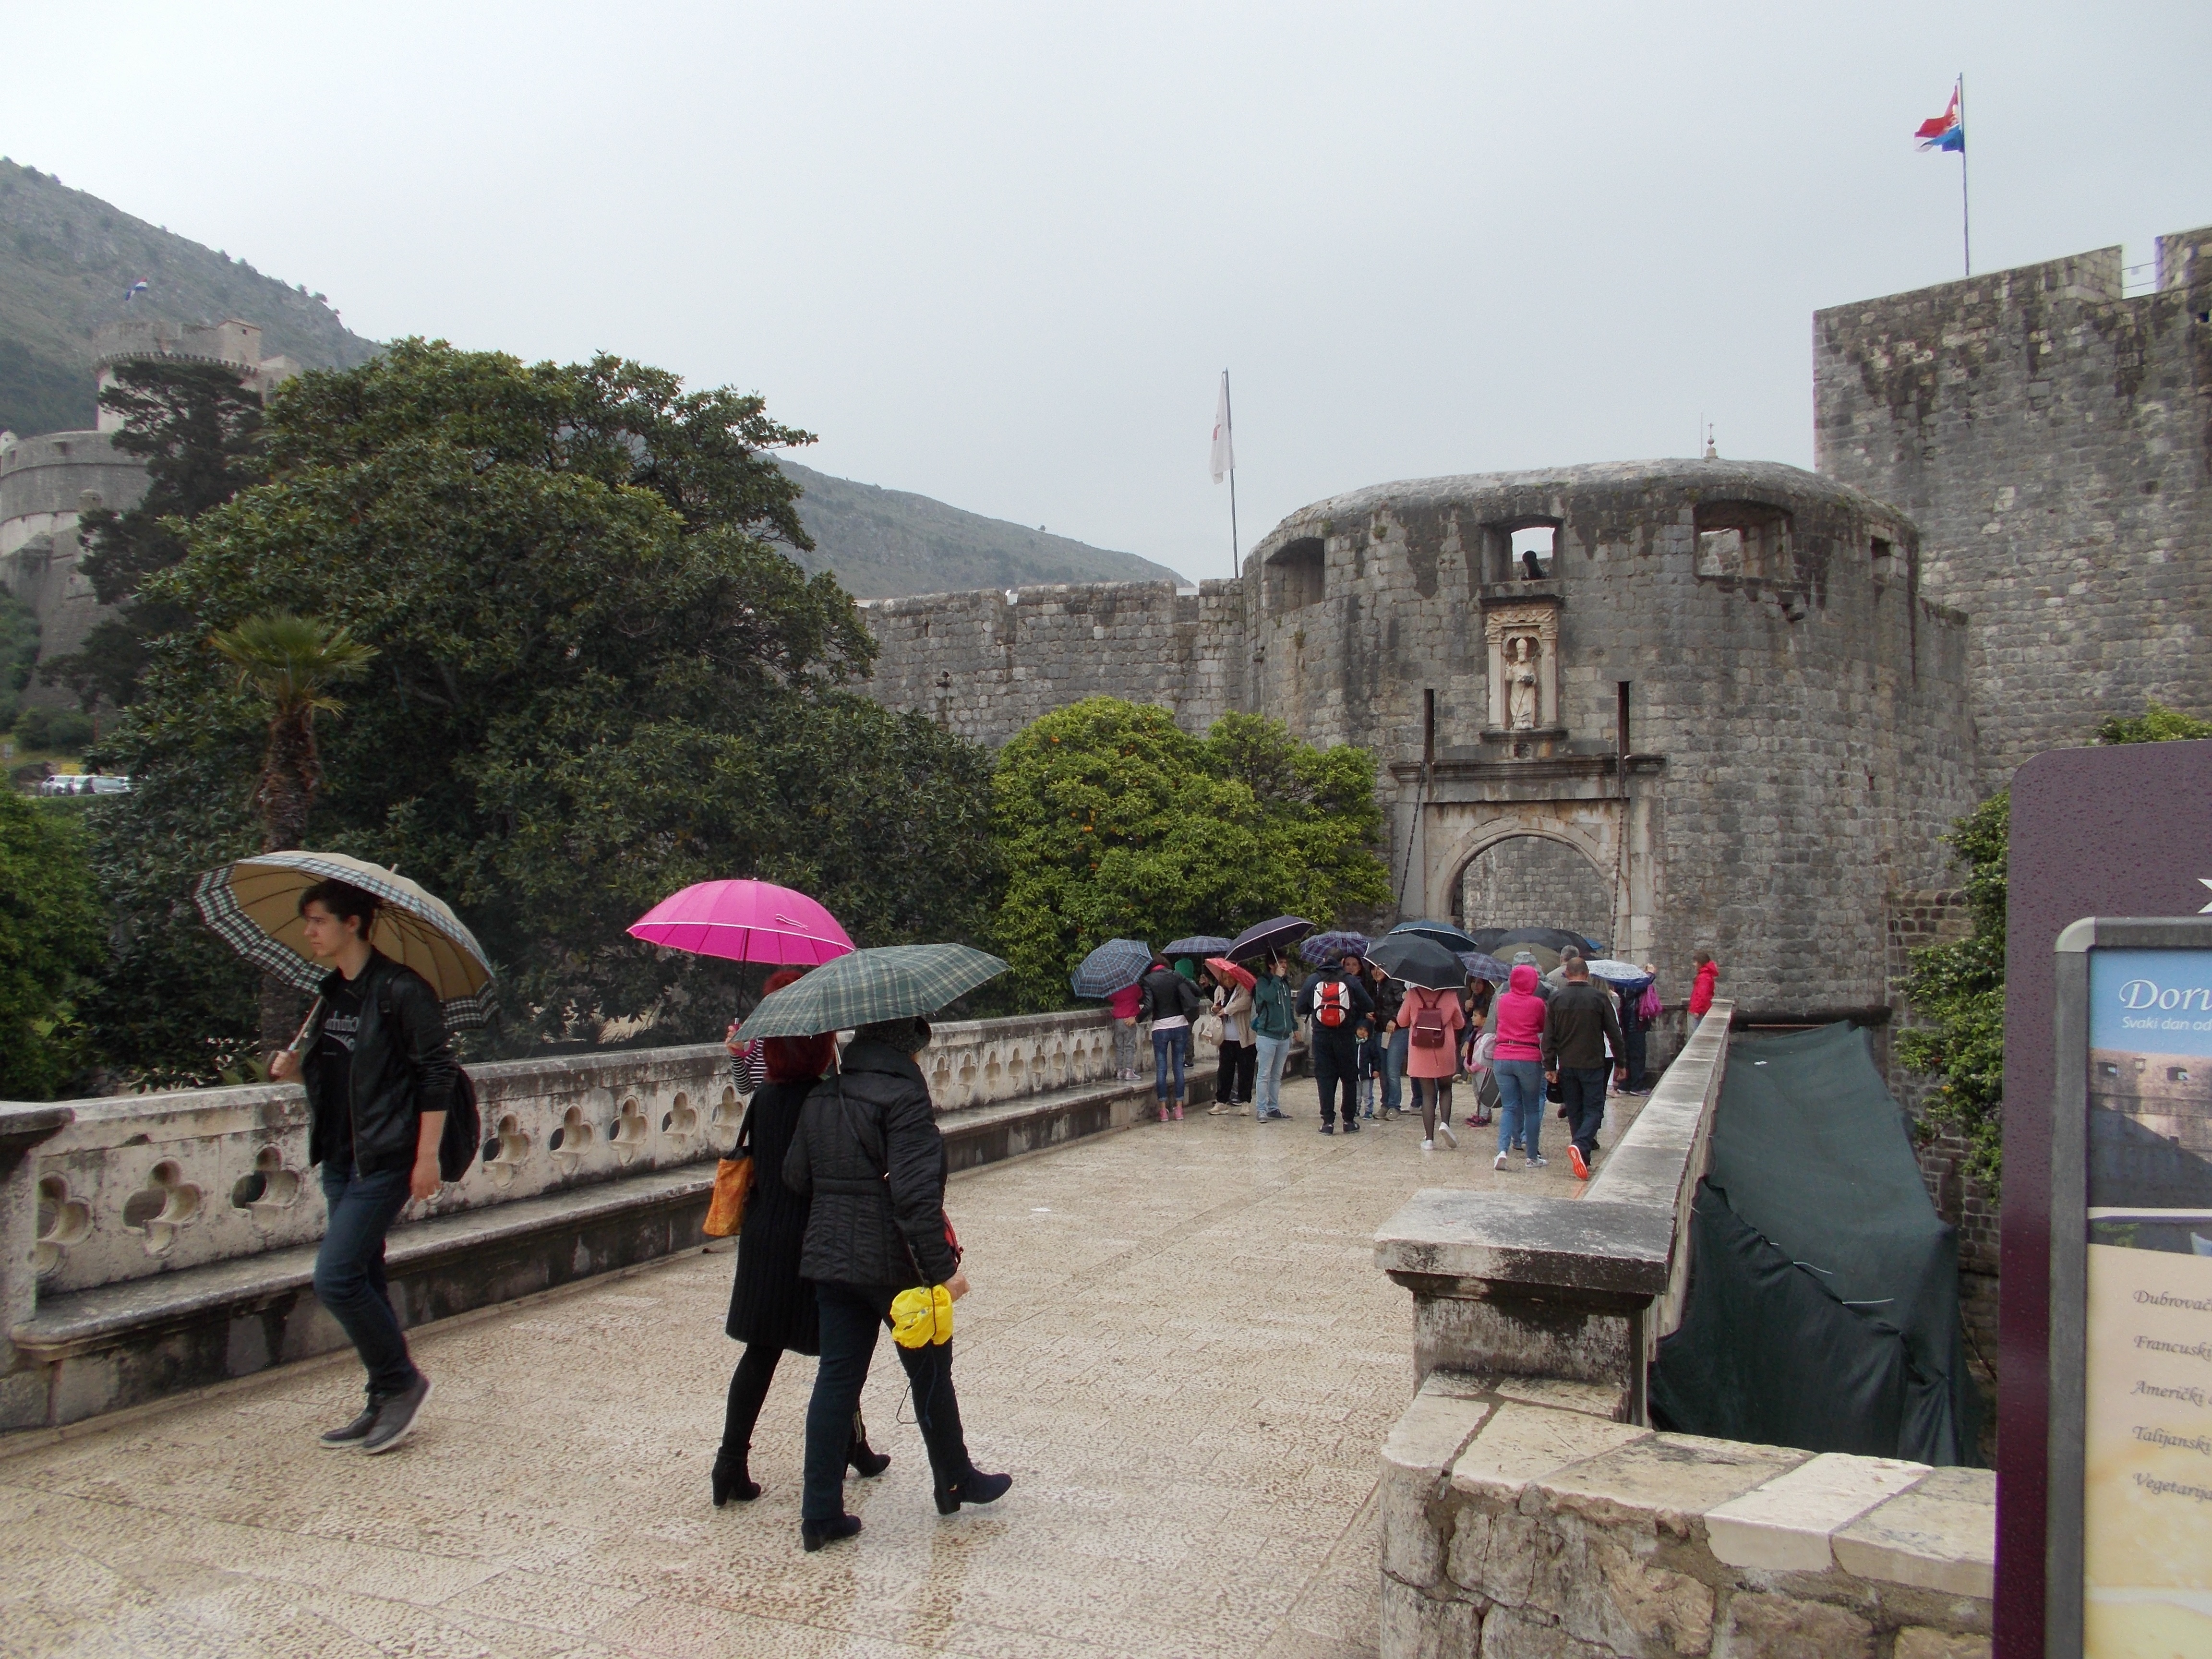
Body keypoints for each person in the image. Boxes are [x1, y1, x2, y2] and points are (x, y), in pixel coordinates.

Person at [782, 1015, 1010, 1552]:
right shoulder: (904, 1101)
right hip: (894, 1264)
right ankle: (954, 1479)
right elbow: (914, 1198)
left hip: (832, 1260)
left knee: (837, 1382)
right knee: (931, 1371)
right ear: (907, 1050)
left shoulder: (823, 1097)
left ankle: (820, 1512)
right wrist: (942, 1272)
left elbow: (796, 1177)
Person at [268, 878, 453, 1455]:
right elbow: (345, 1079)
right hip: (340, 1157)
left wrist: (426, 1158)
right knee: (364, 1275)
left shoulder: (403, 990)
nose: (309, 932)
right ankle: (380, 1397)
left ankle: (401, 1381)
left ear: (353, 923)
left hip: (386, 1156)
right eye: (307, 921)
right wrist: (298, 1071)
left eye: (319, 920)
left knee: (336, 1277)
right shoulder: (331, 994)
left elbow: (436, 1074)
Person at [712, 970, 889, 1506]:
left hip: (766, 1236)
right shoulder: (826, 1100)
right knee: (842, 1352)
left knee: (760, 1353)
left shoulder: (766, 1100)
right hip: (816, 1236)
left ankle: (730, 1465)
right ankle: (844, 1449)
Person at [1544, 958, 1628, 1181]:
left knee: (1575, 1110)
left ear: (1567, 974)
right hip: (1593, 1063)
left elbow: (1550, 1036)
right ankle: (1581, 1146)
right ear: (1587, 974)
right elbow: (1614, 1033)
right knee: (1594, 1109)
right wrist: (1621, 1063)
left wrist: (1550, 1066)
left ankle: (1584, 1157)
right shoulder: (1599, 998)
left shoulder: (1557, 999)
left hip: (1567, 1064)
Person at [1297, 949, 1373, 1134]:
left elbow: (1300, 1007)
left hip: (1321, 1036)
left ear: (1324, 959)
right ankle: (1348, 1121)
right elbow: (1369, 1005)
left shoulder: (1314, 979)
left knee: (1325, 1078)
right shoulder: (1350, 980)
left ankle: (1328, 1123)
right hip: (1345, 1035)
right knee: (1348, 1078)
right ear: (1343, 961)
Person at [1489, 962, 1549, 1171]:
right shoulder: (1538, 1004)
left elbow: (1498, 1023)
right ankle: (1532, 1156)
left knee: (1509, 1107)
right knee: (1532, 1108)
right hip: (1528, 1056)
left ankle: (1502, 1151)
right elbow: (1543, 1027)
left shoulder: (1502, 1001)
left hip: (1503, 1056)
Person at [1395, 979, 1466, 1152]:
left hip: (1420, 1049)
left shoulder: (1413, 994)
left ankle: (1429, 1139)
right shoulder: (1450, 995)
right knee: (1446, 1088)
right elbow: (1460, 1024)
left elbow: (1402, 1021)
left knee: (1428, 1094)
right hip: (1444, 1046)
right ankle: (1445, 1124)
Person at [1140, 957, 1202, 1121]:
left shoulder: (1148, 980)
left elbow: (1148, 1006)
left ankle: (1163, 1112)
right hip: (1180, 1025)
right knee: (1178, 1068)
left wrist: (1137, 1019)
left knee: (1161, 1069)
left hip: (1160, 1027)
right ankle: (1179, 1109)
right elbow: (1197, 992)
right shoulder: (1176, 975)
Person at [1250, 955, 1298, 1121]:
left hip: (1284, 1036)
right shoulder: (1263, 982)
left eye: (1286, 962)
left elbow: (1288, 1008)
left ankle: (1274, 1107)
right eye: (1281, 963)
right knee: (1264, 1073)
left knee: (1277, 1075)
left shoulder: (1285, 984)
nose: (1284, 965)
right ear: (1272, 965)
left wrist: (1294, 1027)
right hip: (1267, 1035)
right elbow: (1268, 997)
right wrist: (1276, 978)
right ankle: (1261, 1109)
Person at [1361, 962, 1403, 1119]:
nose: (1377, 972)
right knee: (1383, 1070)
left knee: (1392, 1070)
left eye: (1380, 968)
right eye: (1373, 969)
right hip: (1380, 1030)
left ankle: (1395, 1105)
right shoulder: (1374, 987)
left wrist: (1395, 1019)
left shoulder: (1395, 984)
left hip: (1397, 1031)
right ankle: (1385, 1103)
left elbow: (1404, 1005)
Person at [1210, 971, 1255, 1115]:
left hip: (1243, 1038)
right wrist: (1215, 1009)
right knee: (1224, 1071)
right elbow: (1216, 1006)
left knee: (1245, 1071)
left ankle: (1245, 1102)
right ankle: (1222, 1101)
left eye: (1230, 977)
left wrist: (1227, 1010)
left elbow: (1245, 1003)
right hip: (1226, 1038)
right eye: (1225, 978)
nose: (1228, 981)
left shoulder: (1244, 989)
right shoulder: (1220, 990)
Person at [1108, 977, 1143, 1081]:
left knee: (1119, 1047)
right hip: (1130, 1019)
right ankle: (1129, 1071)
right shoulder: (1135, 987)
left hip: (1118, 1020)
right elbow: (1140, 995)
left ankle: (1119, 1071)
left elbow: (1110, 998)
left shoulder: (1116, 987)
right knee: (1130, 1046)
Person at [1688, 950, 1719, 1035]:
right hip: (1702, 1009)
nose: (1694, 964)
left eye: (1695, 962)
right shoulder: (1706, 975)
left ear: (1700, 963)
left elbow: (1702, 995)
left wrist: (1697, 1010)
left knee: (1697, 1034)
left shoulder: (1704, 977)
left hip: (1701, 1011)